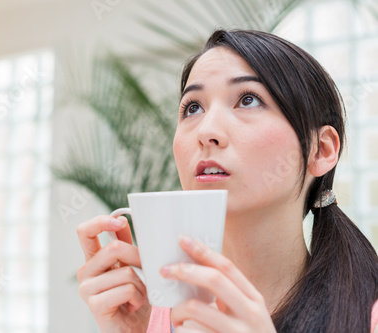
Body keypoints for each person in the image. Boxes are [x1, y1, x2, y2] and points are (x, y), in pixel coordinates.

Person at [76, 29, 378, 333]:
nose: (207, 131)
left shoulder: (368, 317)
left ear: (321, 150)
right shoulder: (160, 317)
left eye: (248, 100)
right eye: (193, 107)